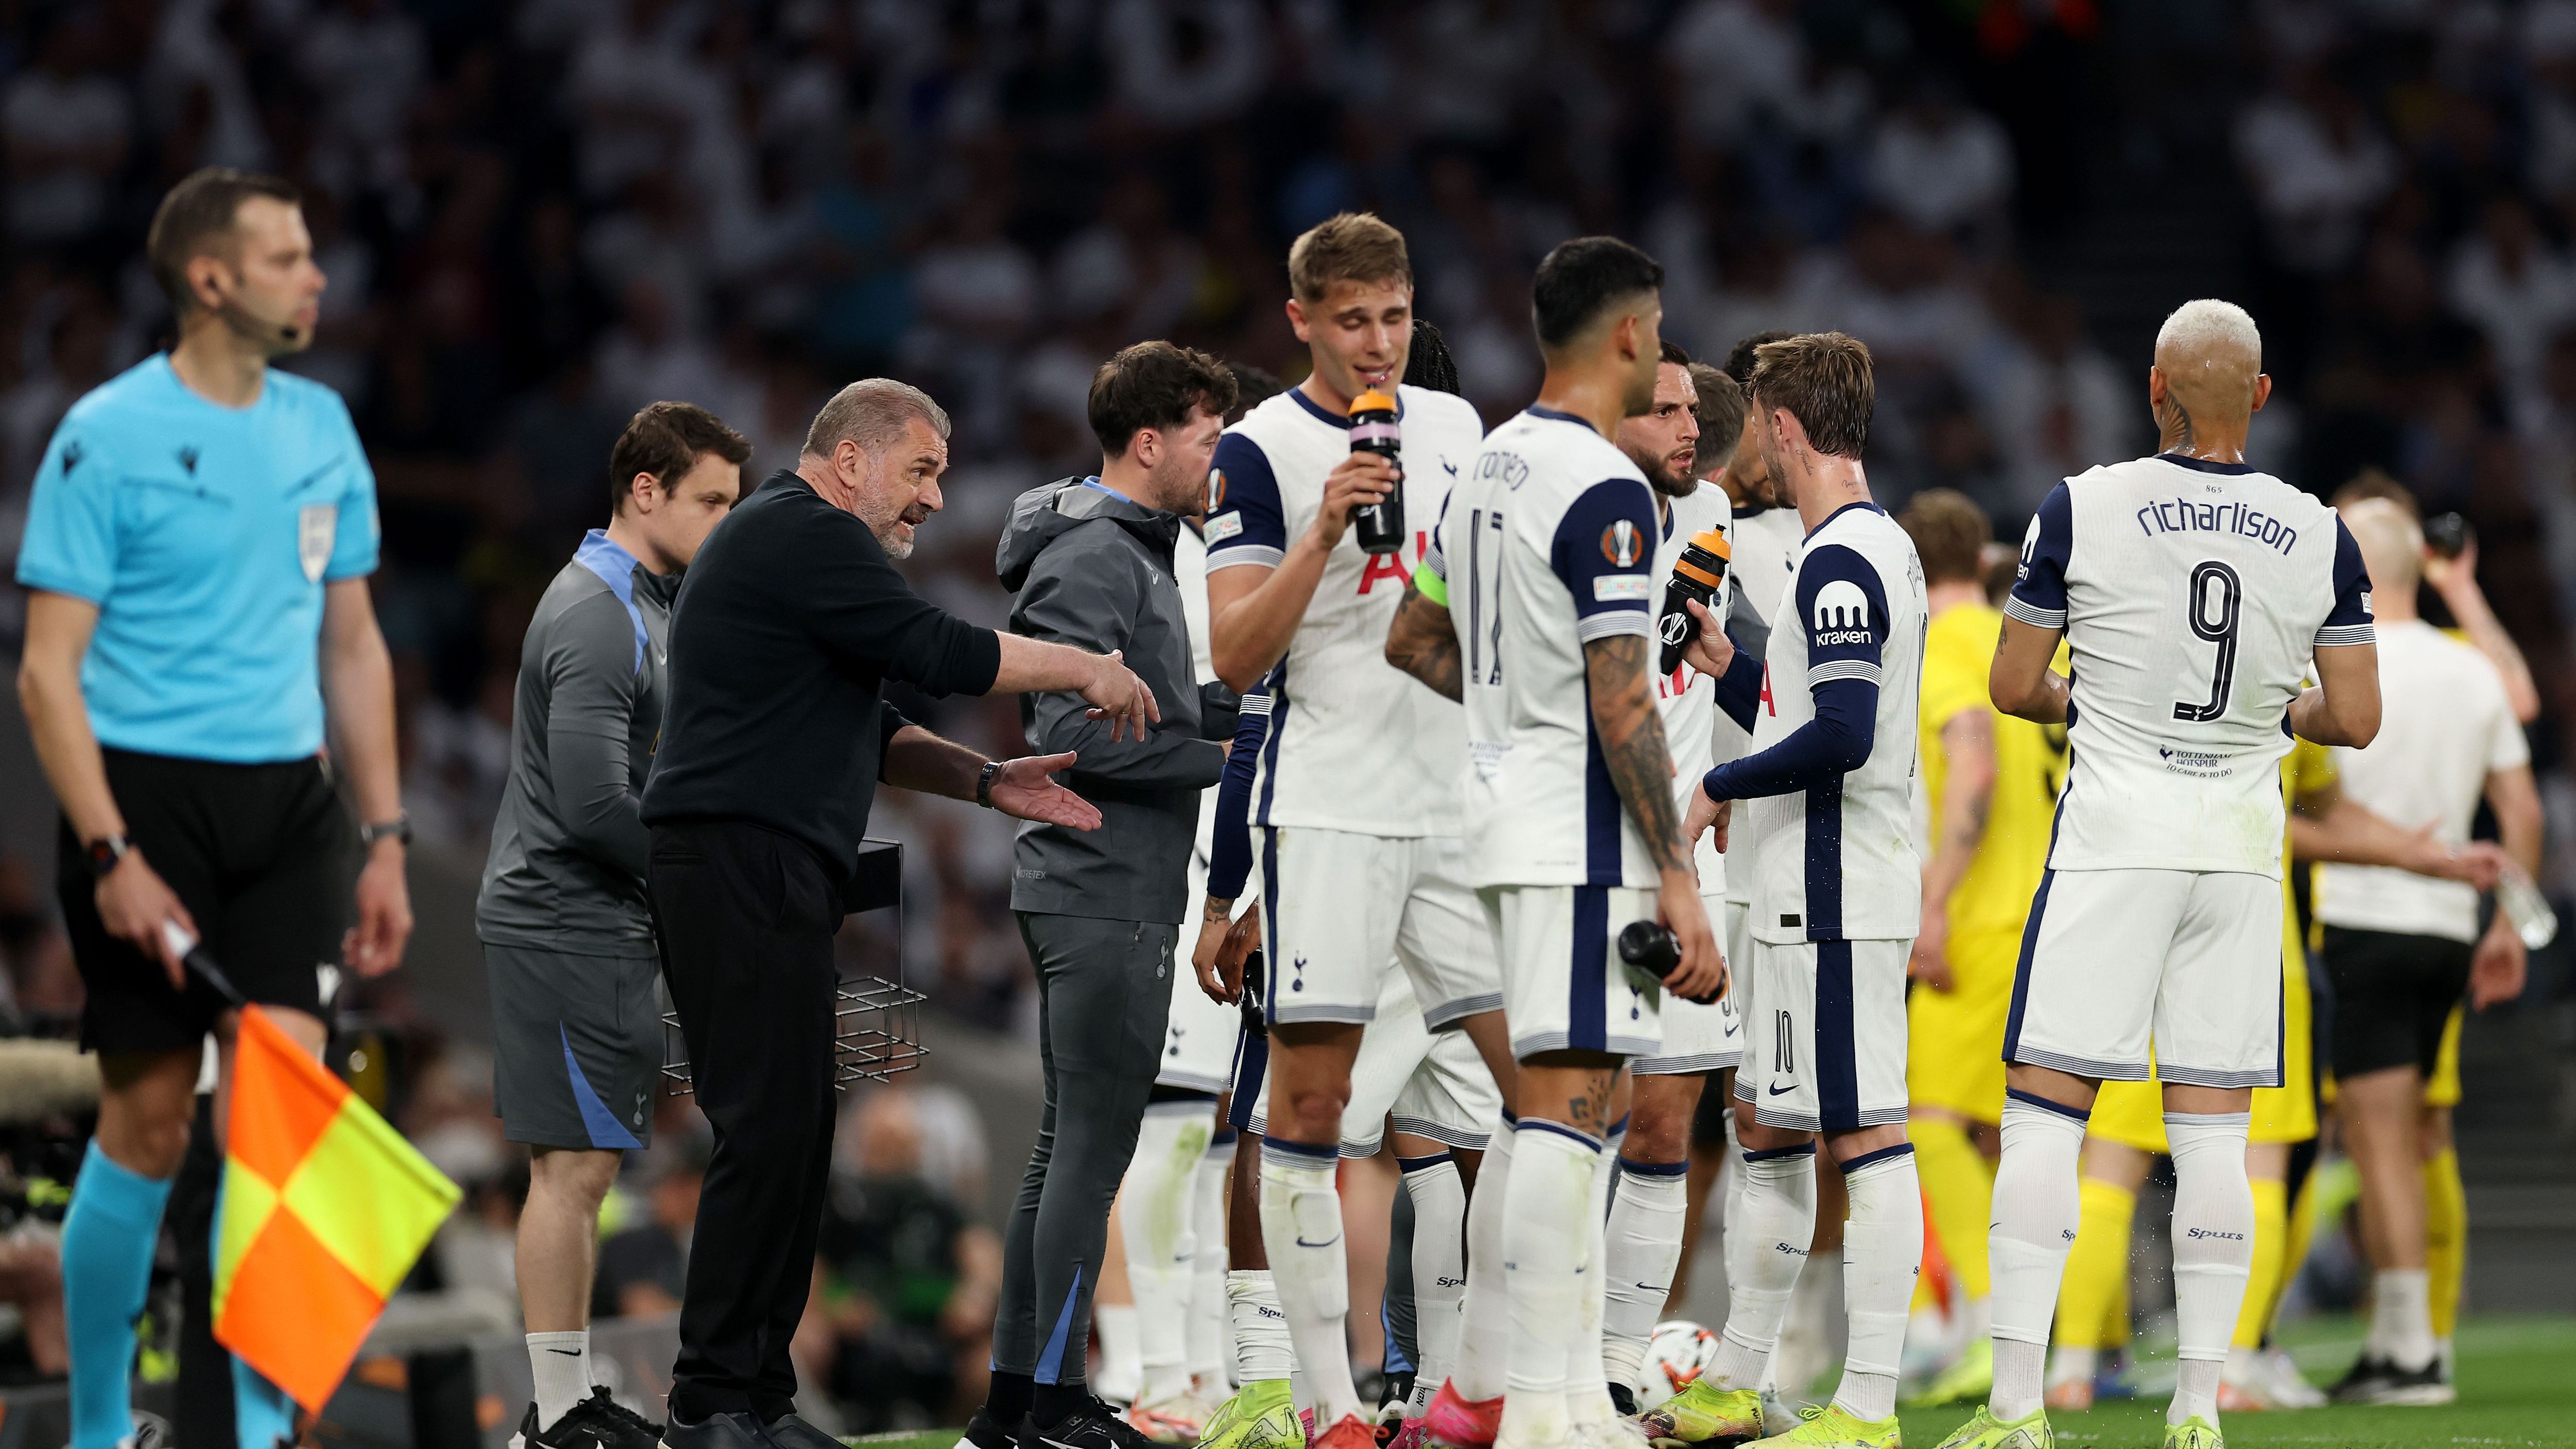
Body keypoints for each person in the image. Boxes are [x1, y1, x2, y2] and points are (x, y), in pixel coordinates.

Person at [637, 377, 1156, 1449]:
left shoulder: (791, 559)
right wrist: (1084, 666)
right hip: (736, 860)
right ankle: (709, 1405)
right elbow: (943, 652)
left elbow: (868, 723)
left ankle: (757, 1397)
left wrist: (985, 781)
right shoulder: (801, 533)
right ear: (849, 461)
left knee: (793, 1131)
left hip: (761, 866)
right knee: (764, 1128)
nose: (933, 497)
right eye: (920, 470)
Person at [14, 166, 412, 1449]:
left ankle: (248, 1435)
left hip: (291, 810)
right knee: (138, 1129)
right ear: (211, 278)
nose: (317, 276)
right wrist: (111, 852)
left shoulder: (324, 429)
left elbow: (352, 647)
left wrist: (389, 837)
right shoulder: (104, 433)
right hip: (143, 805)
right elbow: (44, 675)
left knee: (276, 1118)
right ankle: (93, 1428)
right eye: (290, 257)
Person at [1938, 299, 2381, 1449]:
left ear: (2153, 389)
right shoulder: (2321, 529)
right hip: (2239, 857)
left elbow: (2010, 681)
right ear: (2264, 400)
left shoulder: (2082, 505)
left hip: (2115, 842)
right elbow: (2360, 719)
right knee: (2216, 1141)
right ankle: (2197, 1406)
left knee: (2044, 1120)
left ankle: (2018, 1407)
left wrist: (2087, 700)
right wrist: (2269, 709)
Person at [1389, 234, 1724, 1449]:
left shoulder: (1486, 466)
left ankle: (1559, 1397)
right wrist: (1677, 877)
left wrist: (1510, 713)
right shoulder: (1602, 486)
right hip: (1582, 833)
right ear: (1630, 334)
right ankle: (1540, 1410)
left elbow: (1413, 643)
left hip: (1502, 817)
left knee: (1562, 1106)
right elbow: (1625, 698)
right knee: (1564, 1112)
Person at [1194, 212, 1499, 1449]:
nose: (1380, 345)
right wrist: (1325, 527)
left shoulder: (1457, 428)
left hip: (1459, 806)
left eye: (1396, 317)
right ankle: (1327, 1406)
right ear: (1302, 321)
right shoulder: (1258, 453)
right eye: (1354, 320)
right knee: (1310, 1110)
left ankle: (1472, 1389)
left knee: (1550, 1091)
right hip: (1328, 808)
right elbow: (1232, 656)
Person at [2040, 734, 2496, 1414]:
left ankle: (2071, 1370)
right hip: (2252, 944)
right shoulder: (2283, 675)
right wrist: (2414, 853)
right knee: (2258, 1165)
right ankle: (2229, 1369)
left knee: (2111, 1164)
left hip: (2135, 933)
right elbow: (2343, 748)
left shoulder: (2113, 652)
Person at [1651, 331, 1928, 1449]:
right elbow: (1811, 703)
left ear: (1783, 427)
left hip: (1835, 891)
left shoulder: (1845, 557)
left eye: (1756, 419)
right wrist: (1738, 671)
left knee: (1865, 1133)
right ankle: (1742, 1380)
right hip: (1792, 891)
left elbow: (1849, 737)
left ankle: (1868, 1406)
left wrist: (1719, 776)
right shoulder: (1864, 547)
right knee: (1765, 1124)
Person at [974, 342, 1240, 1449]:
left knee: (1066, 1148)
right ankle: (1055, 1403)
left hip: (1096, 885)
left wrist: (1216, 716)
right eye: (1207, 436)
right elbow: (1079, 738)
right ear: (1150, 441)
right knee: (1091, 1149)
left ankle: (1012, 1405)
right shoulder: (1096, 556)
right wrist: (1231, 750)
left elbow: (1147, 718)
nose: (1217, 458)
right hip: (1103, 884)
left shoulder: (1119, 545)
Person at [477, 400, 749, 1447]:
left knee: (586, 1167)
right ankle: (551, 1419)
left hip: (602, 918)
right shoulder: (597, 610)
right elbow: (594, 804)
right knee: (571, 1168)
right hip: (560, 916)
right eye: (711, 500)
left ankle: (568, 1401)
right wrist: (707, 877)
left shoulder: (651, 599)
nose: (726, 520)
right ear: (648, 492)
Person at [2314, 497, 2539, 1405]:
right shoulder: (2471, 670)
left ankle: (2412, 1353)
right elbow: (2522, 813)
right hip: (2450, 927)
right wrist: (2508, 926)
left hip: (2360, 915)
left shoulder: (2327, 656)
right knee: (2406, 1139)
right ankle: (2404, 1343)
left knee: (2378, 1147)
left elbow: (2305, 803)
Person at [1890, 488, 2057, 1411]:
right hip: (2051, 907)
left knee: (1927, 1119)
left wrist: (1938, 905)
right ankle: (2037, 1330)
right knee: (2007, 1131)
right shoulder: (2029, 640)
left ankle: (1992, 1327)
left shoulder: (1946, 644)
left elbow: (1977, 762)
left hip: (1987, 916)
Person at [1598, 343, 1739, 1406]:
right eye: (1666, 411)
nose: (1690, 429)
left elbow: (1745, 676)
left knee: (1664, 1120)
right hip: (1588, 856)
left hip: (1686, 859)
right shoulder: (1576, 514)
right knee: (1564, 1111)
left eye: (1695, 411)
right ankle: (1509, 1362)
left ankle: (1610, 1370)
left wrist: (1735, 753)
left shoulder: (1712, 524)